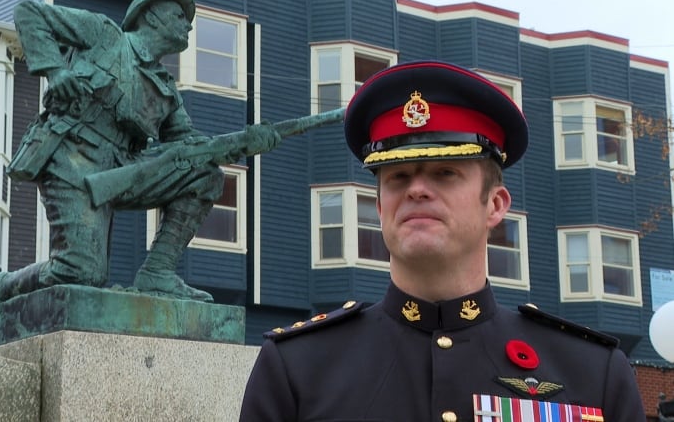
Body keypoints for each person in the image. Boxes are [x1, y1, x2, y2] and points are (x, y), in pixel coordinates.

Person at [239, 61, 645, 421]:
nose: (416, 189)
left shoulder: (591, 371)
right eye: (397, 177)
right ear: (380, 208)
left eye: (445, 173)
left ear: (496, 206)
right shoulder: (299, 367)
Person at [0, 0, 278, 349]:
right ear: (150, 16)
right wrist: (54, 71)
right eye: (179, 16)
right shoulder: (102, 34)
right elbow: (28, 13)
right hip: (73, 159)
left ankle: (158, 272)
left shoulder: (165, 89)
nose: (188, 27)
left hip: (121, 171)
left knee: (204, 173)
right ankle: (0, 288)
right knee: (80, 272)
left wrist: (245, 142)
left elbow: (191, 146)